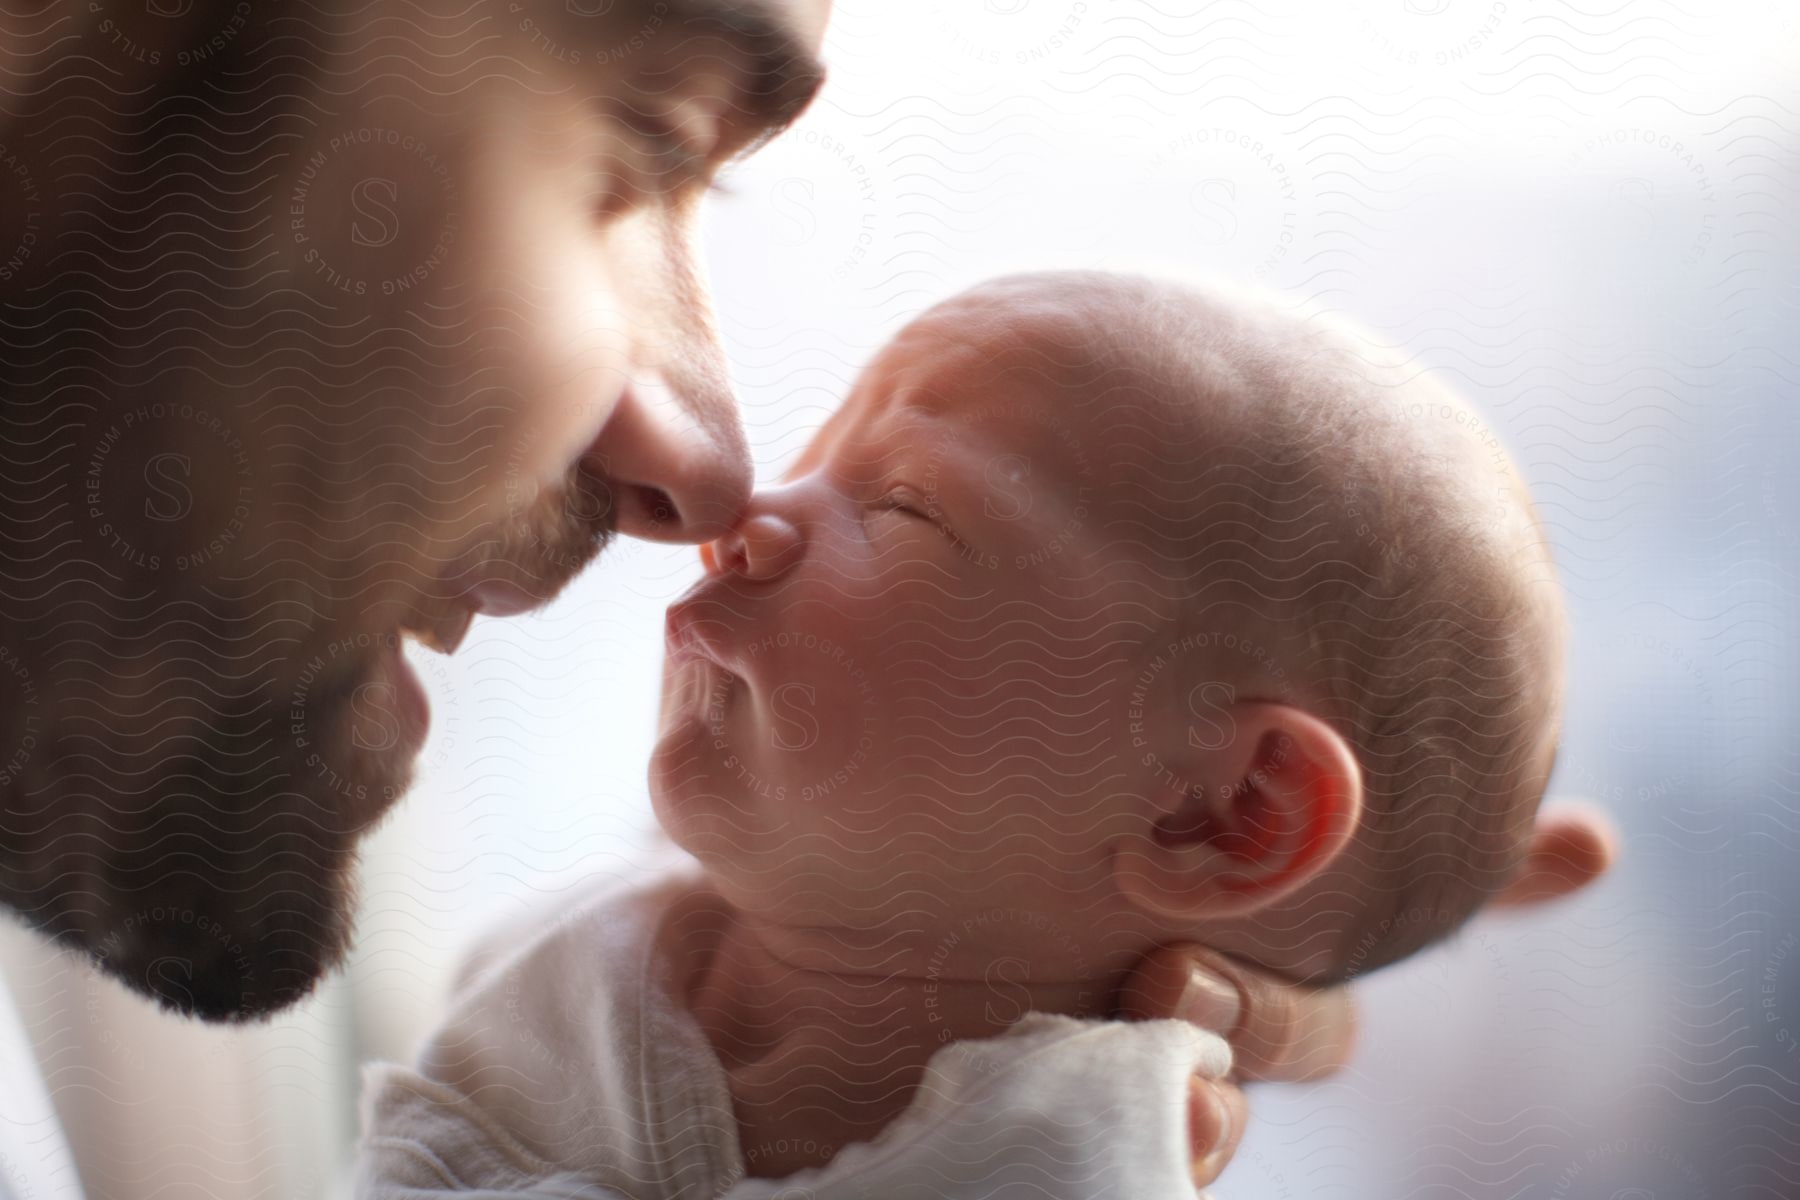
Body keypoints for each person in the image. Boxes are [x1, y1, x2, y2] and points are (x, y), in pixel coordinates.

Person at [354, 272, 1613, 1196]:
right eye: (815, 457)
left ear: (1214, 812)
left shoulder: (1053, 1158)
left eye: (904, 507)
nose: (743, 508)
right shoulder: (651, 927)